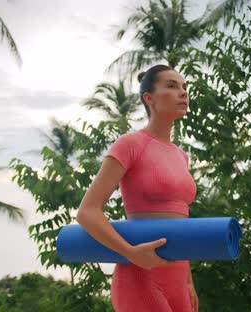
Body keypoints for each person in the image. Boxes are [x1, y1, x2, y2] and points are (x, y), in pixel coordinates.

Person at [76, 64, 198, 312]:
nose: (183, 93)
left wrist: (188, 280)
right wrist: (130, 253)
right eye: (172, 86)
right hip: (139, 277)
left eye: (184, 87)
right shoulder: (130, 144)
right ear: (149, 98)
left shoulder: (181, 156)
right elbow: (87, 212)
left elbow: (180, 220)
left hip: (179, 280)